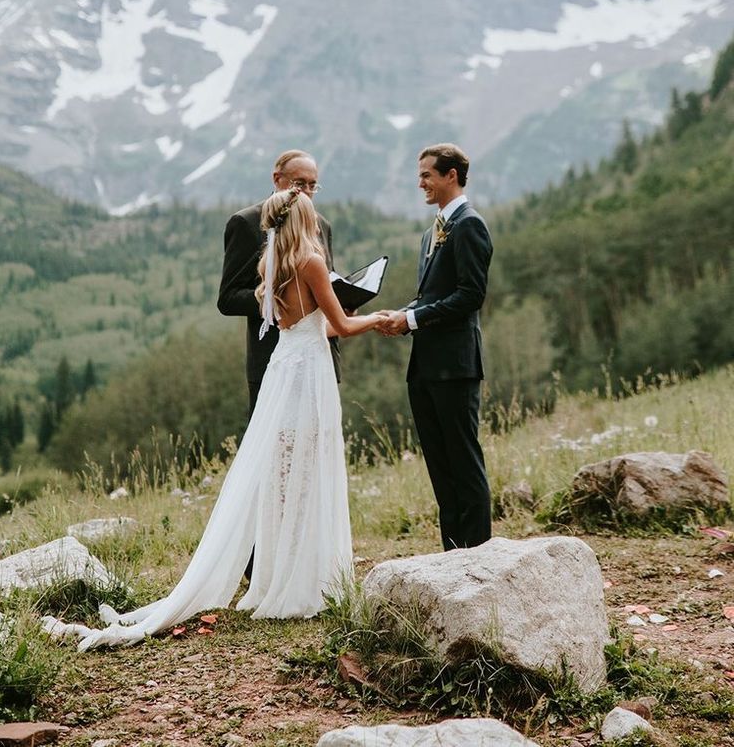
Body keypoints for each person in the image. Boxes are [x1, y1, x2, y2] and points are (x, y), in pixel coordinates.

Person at [46, 189, 383, 650]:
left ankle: (280, 575)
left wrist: (345, 318)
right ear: (304, 218)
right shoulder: (310, 261)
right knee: (308, 467)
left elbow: (301, 323)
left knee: (283, 472)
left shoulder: (271, 265)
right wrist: (383, 317)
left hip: (283, 369)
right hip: (308, 374)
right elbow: (338, 326)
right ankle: (304, 581)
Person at [378, 143, 493, 551]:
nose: (421, 182)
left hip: (456, 366)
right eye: (420, 174)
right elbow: (432, 295)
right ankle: (452, 556)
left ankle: (478, 555)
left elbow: (470, 295)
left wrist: (412, 318)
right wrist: (404, 313)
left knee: (464, 462)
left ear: (451, 176)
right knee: (440, 467)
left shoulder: (470, 224)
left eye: (427, 174)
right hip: (426, 365)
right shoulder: (433, 231)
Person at [217, 149, 339, 418]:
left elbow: (326, 282)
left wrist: (344, 302)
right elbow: (228, 298)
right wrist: (279, 302)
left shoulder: (322, 225)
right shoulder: (247, 223)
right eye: (299, 184)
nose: (306, 191)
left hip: (320, 357)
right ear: (277, 179)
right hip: (273, 359)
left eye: (312, 185)